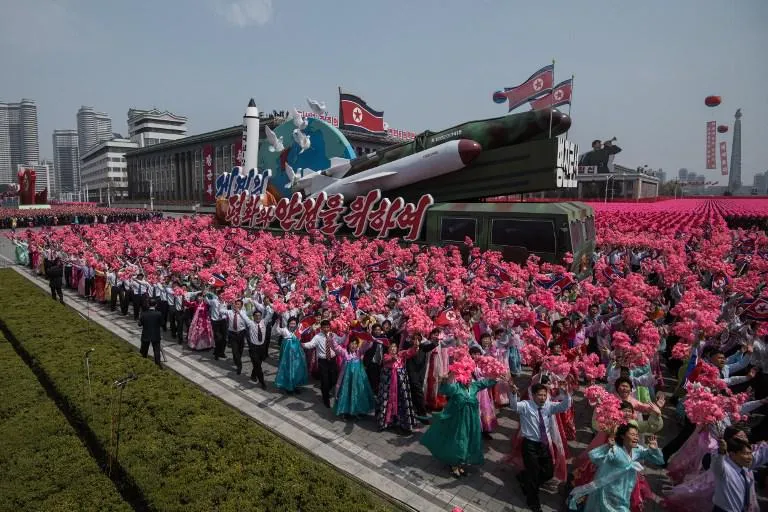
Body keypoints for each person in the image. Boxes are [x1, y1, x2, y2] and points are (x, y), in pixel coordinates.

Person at [568, 424, 664, 511]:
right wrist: (607, 447)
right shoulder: (615, 449)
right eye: (633, 434)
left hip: (625, 492)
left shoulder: (637, 450)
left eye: (637, 435)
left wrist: (654, 449)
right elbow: (593, 456)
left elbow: (659, 461)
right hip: (608, 492)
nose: (636, 437)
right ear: (623, 436)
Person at [508, 382, 573, 512]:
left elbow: (564, 406)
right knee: (534, 474)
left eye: (544, 395)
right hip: (530, 445)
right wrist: (514, 393)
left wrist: (566, 394)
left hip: (543, 445)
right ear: (533, 395)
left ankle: (525, 478)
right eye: (540, 395)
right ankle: (533, 501)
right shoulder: (526, 405)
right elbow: (514, 406)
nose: (543, 398)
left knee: (548, 473)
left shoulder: (549, 406)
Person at [420, 372, 497, 478]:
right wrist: (447, 379)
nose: (469, 380)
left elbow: (486, 383)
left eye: (470, 378)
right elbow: (445, 389)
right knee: (459, 441)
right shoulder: (456, 388)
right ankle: (454, 465)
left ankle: (460, 462)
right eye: (466, 378)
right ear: (461, 379)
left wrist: (496, 375)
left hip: (472, 421)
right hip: (458, 421)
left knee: (467, 440)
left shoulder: (474, 387)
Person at [711, 436, 768, 512]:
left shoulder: (744, 467)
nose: (750, 457)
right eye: (746, 454)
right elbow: (717, 464)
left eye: (750, 453)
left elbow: (760, 455)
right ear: (732, 455)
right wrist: (721, 451)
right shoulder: (724, 469)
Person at [302, 320, 337, 408]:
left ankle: (325, 390)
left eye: (327, 327)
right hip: (323, 361)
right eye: (324, 327)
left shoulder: (333, 335)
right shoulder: (317, 337)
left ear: (330, 327)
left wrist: (346, 335)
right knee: (325, 381)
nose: (326, 329)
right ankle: (326, 399)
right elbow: (311, 344)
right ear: (321, 328)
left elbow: (340, 341)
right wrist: (303, 344)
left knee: (333, 380)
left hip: (332, 360)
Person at [274, 317, 309, 394]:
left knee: (297, 369)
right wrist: (277, 323)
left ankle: (296, 385)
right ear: (288, 323)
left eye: (294, 323)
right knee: (288, 369)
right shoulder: (284, 330)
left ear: (296, 324)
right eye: (291, 323)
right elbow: (277, 331)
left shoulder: (298, 331)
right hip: (287, 355)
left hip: (297, 354)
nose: (292, 325)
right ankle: (288, 387)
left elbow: (307, 331)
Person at [223, 299, 249, 375]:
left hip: (241, 333)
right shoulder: (229, 312)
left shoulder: (243, 313)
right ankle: (239, 366)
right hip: (232, 334)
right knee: (234, 350)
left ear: (241, 306)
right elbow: (220, 310)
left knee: (240, 350)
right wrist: (223, 302)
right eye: (235, 304)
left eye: (238, 304)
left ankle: (237, 360)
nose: (236, 305)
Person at [245, 309, 268, 388]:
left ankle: (253, 375)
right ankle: (262, 382)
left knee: (258, 364)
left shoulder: (264, 322)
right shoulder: (250, 323)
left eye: (259, 316)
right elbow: (244, 317)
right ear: (253, 317)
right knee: (258, 366)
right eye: (256, 316)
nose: (258, 317)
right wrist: (238, 310)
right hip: (253, 348)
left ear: (261, 316)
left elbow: (271, 313)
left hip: (262, 348)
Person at [138, 299, 164, 368]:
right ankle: (158, 365)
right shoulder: (159, 313)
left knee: (144, 350)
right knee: (156, 351)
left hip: (146, 334)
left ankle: (142, 364)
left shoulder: (143, 313)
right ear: (156, 305)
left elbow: (139, 324)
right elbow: (162, 324)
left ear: (148, 305)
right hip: (156, 335)